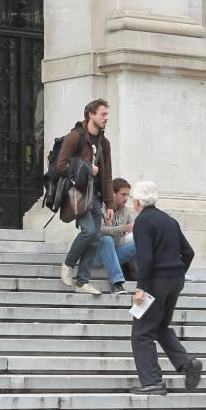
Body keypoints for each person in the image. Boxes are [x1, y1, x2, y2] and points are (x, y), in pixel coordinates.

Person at [130, 180, 202, 395]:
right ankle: (186, 364)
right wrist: (178, 272)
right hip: (175, 280)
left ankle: (152, 382)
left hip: (155, 282)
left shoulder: (143, 221)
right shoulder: (169, 220)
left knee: (141, 334)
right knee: (160, 327)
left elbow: (145, 257)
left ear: (136, 202)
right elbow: (188, 252)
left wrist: (140, 287)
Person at [58, 99, 114, 295]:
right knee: (89, 231)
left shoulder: (104, 143)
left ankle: (82, 282)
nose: (106, 118)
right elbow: (62, 165)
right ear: (91, 114)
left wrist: (110, 203)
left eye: (107, 114)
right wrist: (87, 168)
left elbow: (107, 175)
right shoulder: (75, 137)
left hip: (96, 195)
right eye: (103, 114)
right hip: (78, 193)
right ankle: (68, 263)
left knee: (97, 238)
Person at [95, 177, 136, 294]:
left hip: (115, 252)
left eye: (128, 195)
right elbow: (99, 230)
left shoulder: (125, 211)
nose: (126, 198)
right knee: (106, 239)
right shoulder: (100, 207)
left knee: (141, 243)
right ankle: (117, 283)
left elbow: (132, 228)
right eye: (123, 194)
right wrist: (122, 229)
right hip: (95, 255)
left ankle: (145, 279)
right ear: (113, 193)